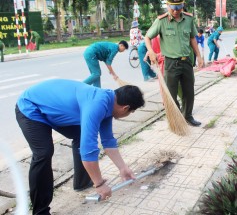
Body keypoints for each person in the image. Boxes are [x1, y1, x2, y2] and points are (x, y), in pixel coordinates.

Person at [15, 79, 145, 214]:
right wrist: (99, 184)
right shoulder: (97, 104)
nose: (128, 114)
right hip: (31, 106)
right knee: (43, 152)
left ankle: (82, 182)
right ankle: (40, 211)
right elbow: (88, 151)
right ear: (126, 108)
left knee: (81, 136)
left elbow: (108, 141)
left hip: (54, 109)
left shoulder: (109, 103)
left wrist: (123, 168)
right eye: (131, 112)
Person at [144, 0, 203, 127]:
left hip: (187, 61)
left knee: (189, 91)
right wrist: (151, 51)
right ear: (168, 5)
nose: (176, 11)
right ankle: (175, 118)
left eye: (179, 7)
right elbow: (147, 37)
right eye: (173, 8)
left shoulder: (188, 20)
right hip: (171, 63)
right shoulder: (161, 21)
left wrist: (199, 56)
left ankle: (187, 116)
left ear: (183, 6)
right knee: (171, 94)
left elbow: (192, 38)